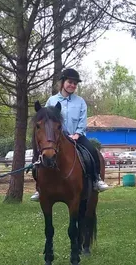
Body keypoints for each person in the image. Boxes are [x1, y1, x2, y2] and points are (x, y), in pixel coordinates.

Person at [30, 68, 107, 201]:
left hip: (77, 137)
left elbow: (83, 120)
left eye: (75, 84)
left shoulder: (80, 102)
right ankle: (39, 188)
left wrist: (77, 134)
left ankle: (96, 179)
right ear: (63, 82)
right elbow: (47, 122)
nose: (72, 85)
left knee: (92, 152)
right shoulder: (51, 101)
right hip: (56, 139)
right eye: (70, 82)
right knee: (37, 157)